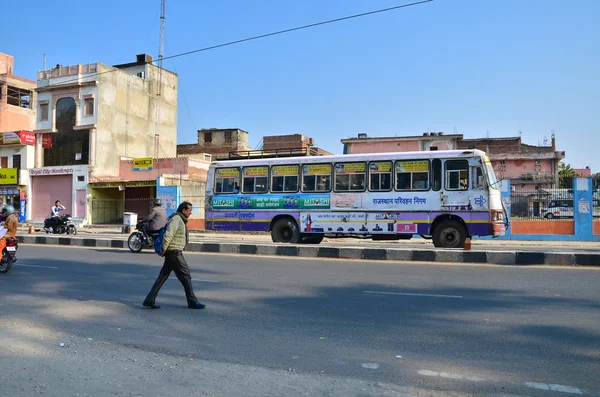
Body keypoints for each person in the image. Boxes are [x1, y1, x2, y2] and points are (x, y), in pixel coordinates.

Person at [143, 202, 205, 310]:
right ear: (183, 210)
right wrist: (163, 249)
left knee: (163, 276)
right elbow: (168, 235)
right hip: (174, 252)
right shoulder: (176, 219)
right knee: (186, 276)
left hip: (173, 252)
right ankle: (192, 301)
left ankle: (149, 300)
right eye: (189, 210)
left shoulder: (180, 219)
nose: (191, 212)